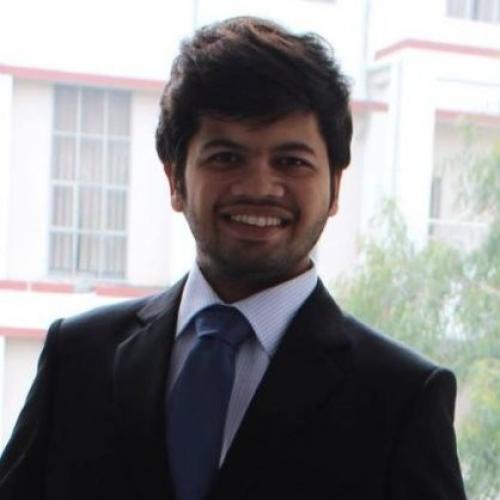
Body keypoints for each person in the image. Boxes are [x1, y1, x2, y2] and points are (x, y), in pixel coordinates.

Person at [0, 16, 466, 500]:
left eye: (291, 161)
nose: (259, 187)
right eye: (226, 157)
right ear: (175, 179)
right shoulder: (78, 358)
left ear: (334, 187)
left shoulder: (401, 397)